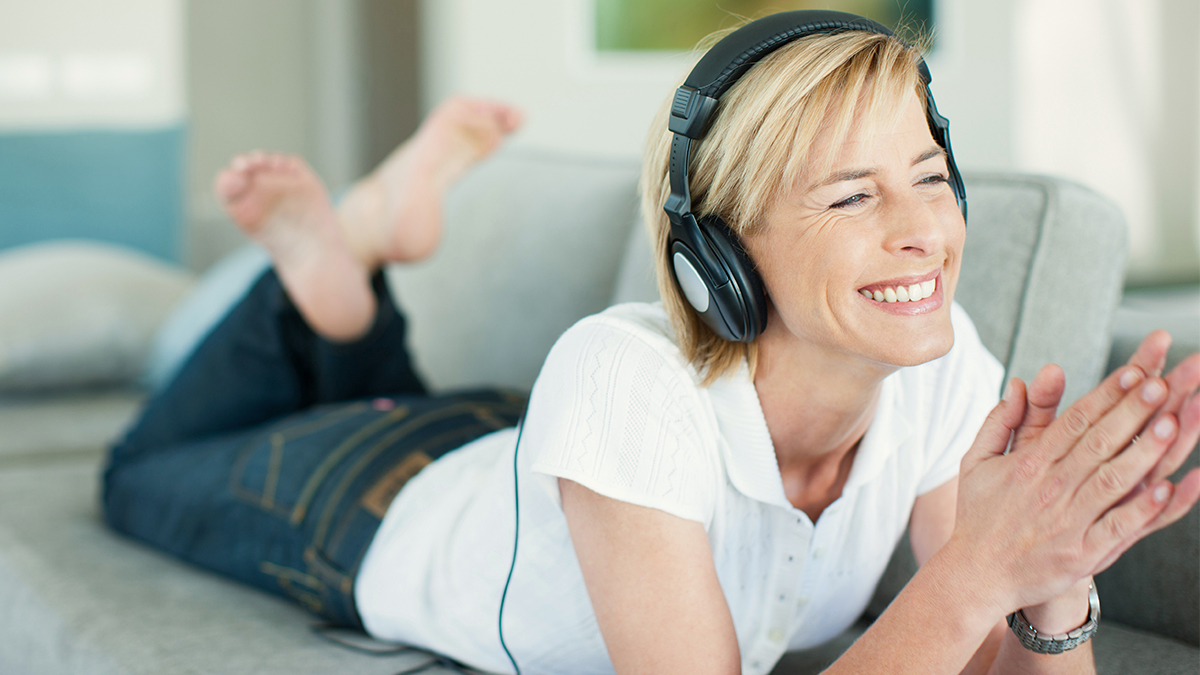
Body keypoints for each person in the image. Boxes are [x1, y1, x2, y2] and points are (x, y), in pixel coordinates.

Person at [103, 11, 1200, 675]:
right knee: (141, 472)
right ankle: (335, 272)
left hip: (531, 454)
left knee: (388, 394)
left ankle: (355, 275)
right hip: (379, 503)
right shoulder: (622, 371)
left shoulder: (941, 360)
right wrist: (978, 571)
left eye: (927, 177)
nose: (924, 230)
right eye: (852, 195)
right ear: (720, 251)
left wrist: (1054, 575)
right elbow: (959, 599)